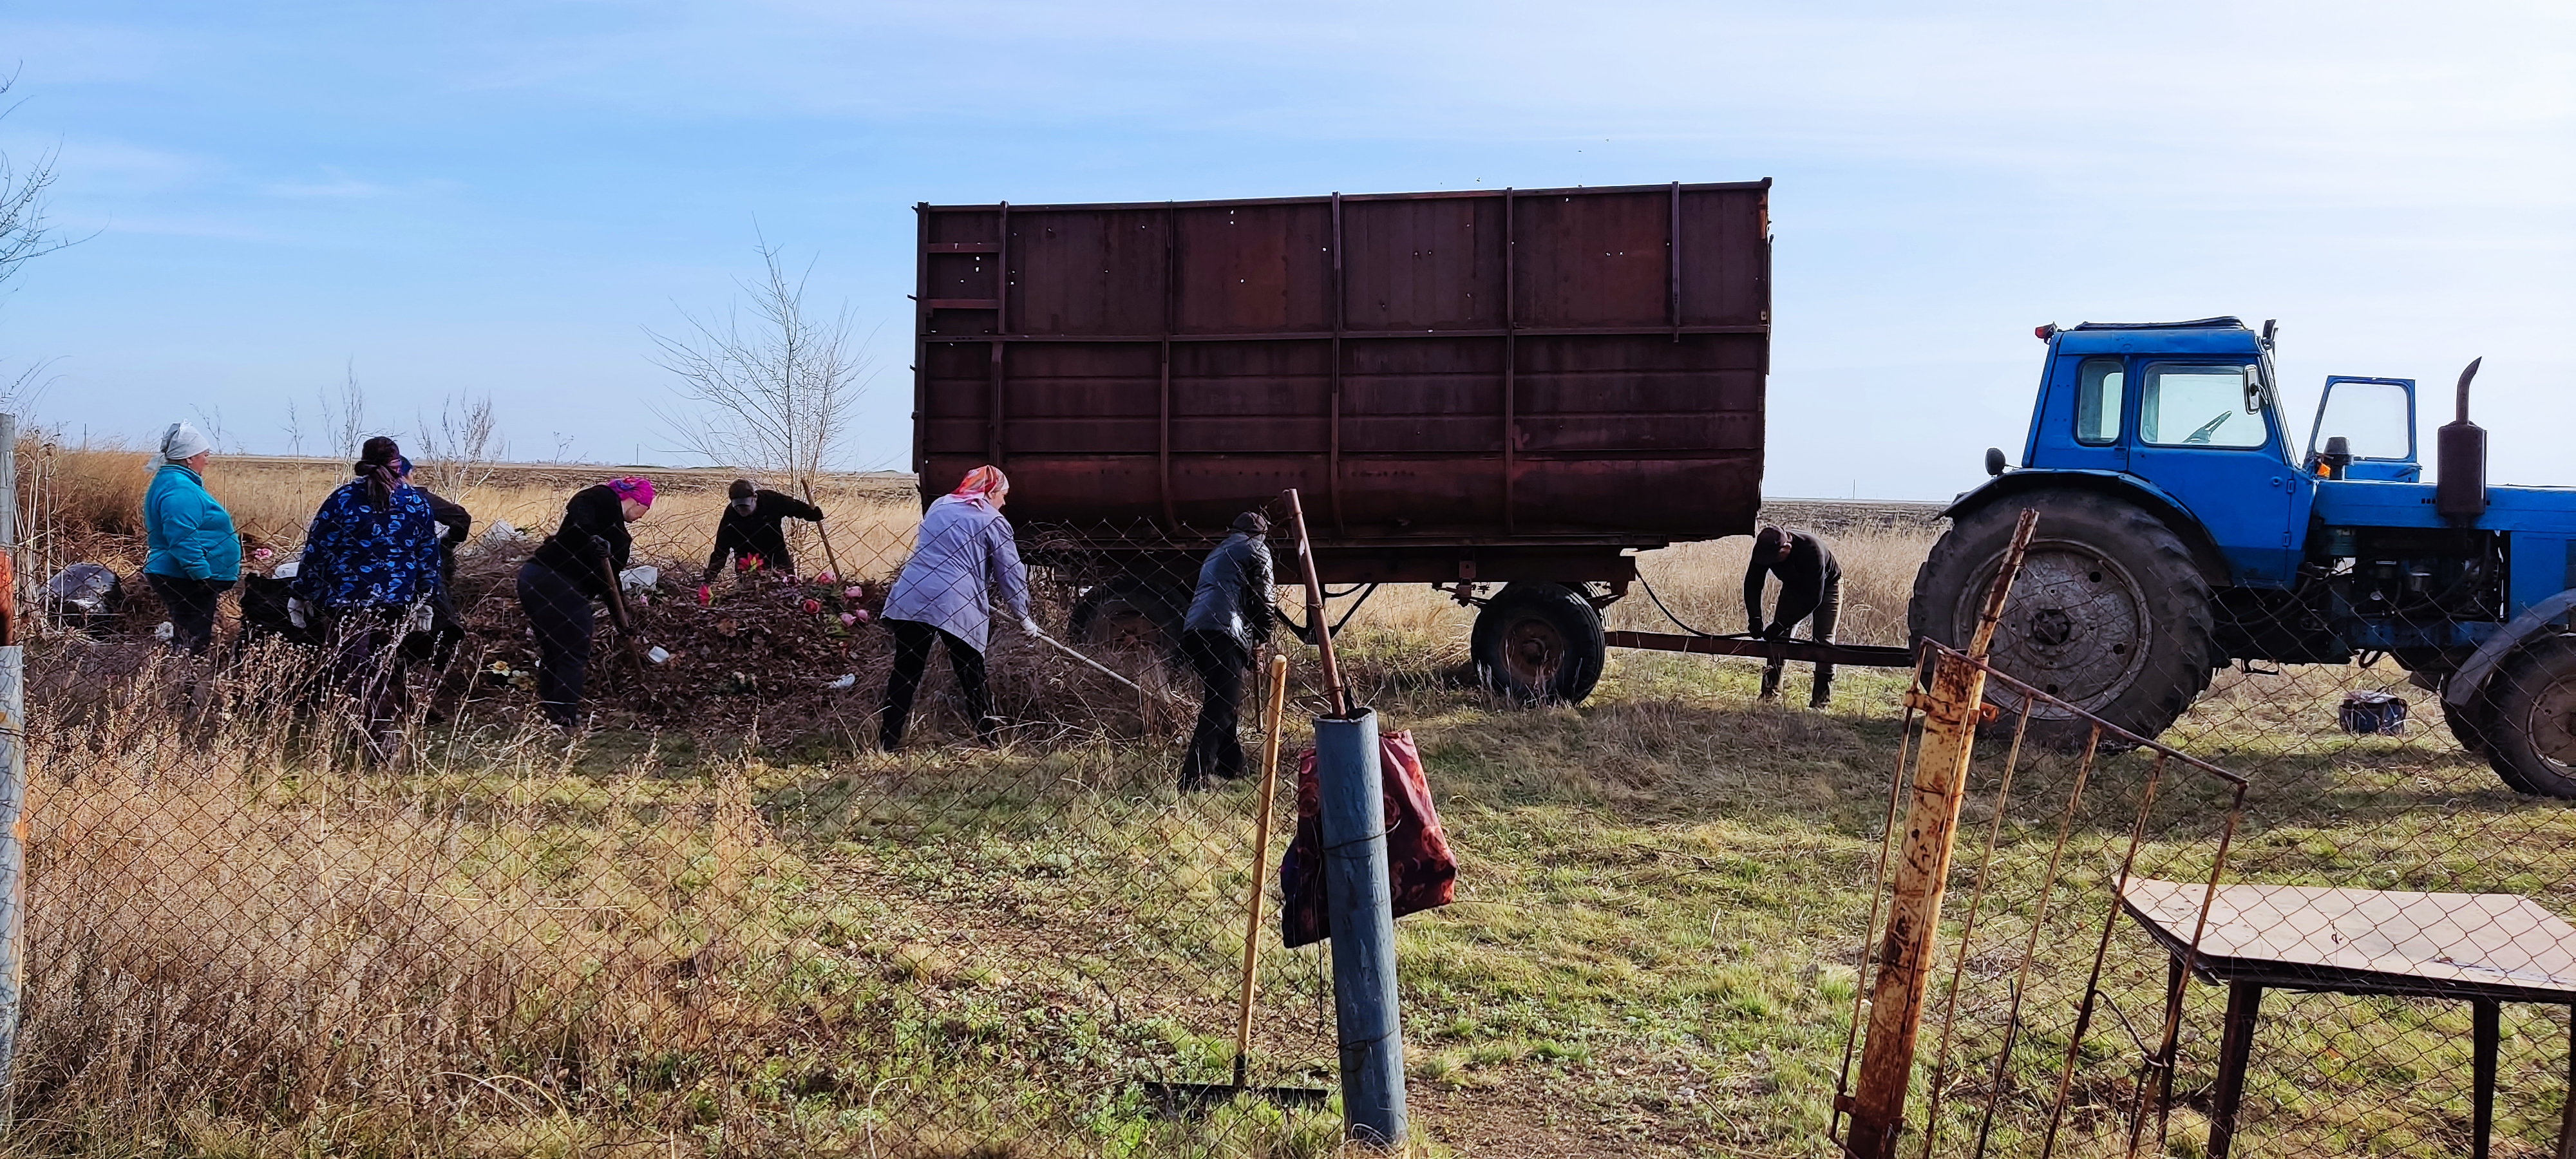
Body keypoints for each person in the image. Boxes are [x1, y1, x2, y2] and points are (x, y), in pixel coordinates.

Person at [292, 436, 446, 760]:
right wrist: (426, 598)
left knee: (352, 672)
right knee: (380, 667)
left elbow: (318, 550)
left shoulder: (343, 500)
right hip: (396, 601)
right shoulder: (416, 503)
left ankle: (372, 734)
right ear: (398, 463)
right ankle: (378, 733)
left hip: (347, 601)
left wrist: (302, 593)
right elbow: (428, 554)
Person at [876, 466, 1032, 749]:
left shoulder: (939, 506)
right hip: (955, 601)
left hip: (912, 593)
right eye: (1003, 494)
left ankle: (887, 742)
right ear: (990, 492)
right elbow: (1010, 571)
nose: (1005, 502)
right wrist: (1023, 615)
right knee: (971, 672)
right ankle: (990, 741)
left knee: (906, 670)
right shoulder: (992, 520)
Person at [517, 475, 652, 728]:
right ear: (637, 500)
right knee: (574, 650)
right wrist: (591, 535)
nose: (644, 515)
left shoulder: (620, 539)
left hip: (534, 577)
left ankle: (552, 714)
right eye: (647, 507)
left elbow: (610, 585)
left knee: (556, 650)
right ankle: (566, 721)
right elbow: (581, 502)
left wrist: (621, 621)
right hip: (556, 581)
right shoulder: (603, 498)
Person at [1179, 510, 1276, 789]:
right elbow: (1264, 599)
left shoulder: (1218, 551)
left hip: (1196, 629)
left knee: (1225, 700)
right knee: (1220, 705)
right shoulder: (1258, 548)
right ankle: (1193, 778)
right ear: (1261, 534)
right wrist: (1262, 637)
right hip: (1223, 630)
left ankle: (1230, 766)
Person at [140, 422, 242, 656]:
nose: (207, 460)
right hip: (186, 577)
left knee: (188, 633)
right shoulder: (180, 489)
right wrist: (202, 574)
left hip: (182, 574)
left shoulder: (175, 482)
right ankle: (183, 686)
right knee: (193, 640)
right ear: (189, 458)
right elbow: (181, 536)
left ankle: (180, 681)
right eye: (204, 455)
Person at [1743, 525, 1842, 708]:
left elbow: (1814, 598)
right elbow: (1753, 583)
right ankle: (1769, 696)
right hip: (1794, 586)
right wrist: (1755, 619)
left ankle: (1821, 702)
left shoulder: (1812, 549)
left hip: (1827, 587)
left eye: (1774, 560)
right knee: (1779, 640)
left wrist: (1781, 624)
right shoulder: (1764, 548)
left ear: (1786, 548)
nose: (1770, 564)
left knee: (1824, 642)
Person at [394, 456, 473, 666]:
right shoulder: (418, 499)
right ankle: (432, 663)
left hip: (365, 585)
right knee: (440, 620)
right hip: (419, 573)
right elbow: (461, 518)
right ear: (407, 475)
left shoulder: (350, 499)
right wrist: (447, 545)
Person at [703, 478, 824, 584]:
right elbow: (721, 551)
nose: (742, 510)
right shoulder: (730, 517)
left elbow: (794, 507)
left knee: (788, 587)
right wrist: (710, 576)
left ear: (755, 498)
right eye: (738, 506)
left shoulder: (771, 501)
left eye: (745, 505)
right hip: (747, 561)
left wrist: (811, 514)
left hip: (776, 555)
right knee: (750, 595)